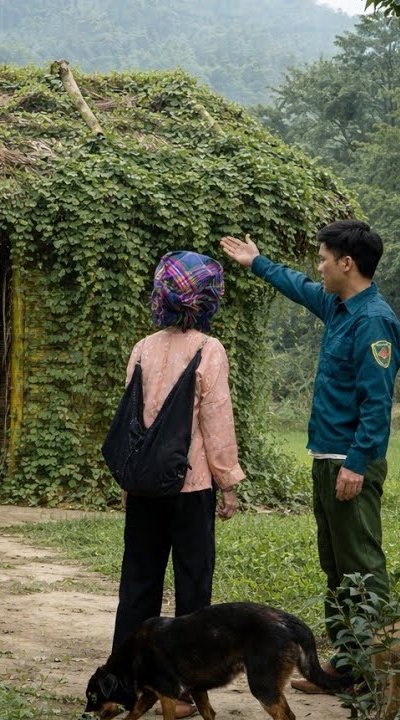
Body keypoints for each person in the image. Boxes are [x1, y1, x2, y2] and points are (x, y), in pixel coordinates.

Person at [219, 220, 400, 693]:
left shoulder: (374, 321)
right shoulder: (340, 307)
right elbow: (300, 288)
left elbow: (377, 405)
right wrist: (255, 262)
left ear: (347, 263)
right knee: (336, 566)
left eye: (323, 258)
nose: (317, 266)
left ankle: (370, 669)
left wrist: (357, 464)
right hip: (327, 458)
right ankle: (343, 668)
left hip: (350, 463)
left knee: (361, 567)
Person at [111, 250, 245, 719]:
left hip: (146, 488)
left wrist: (129, 481)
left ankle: (123, 685)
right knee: (193, 592)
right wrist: (228, 484)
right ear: (208, 301)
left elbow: (133, 422)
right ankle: (184, 691)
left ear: (160, 297)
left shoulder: (143, 348)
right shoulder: (210, 350)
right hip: (192, 489)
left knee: (138, 585)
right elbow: (216, 421)